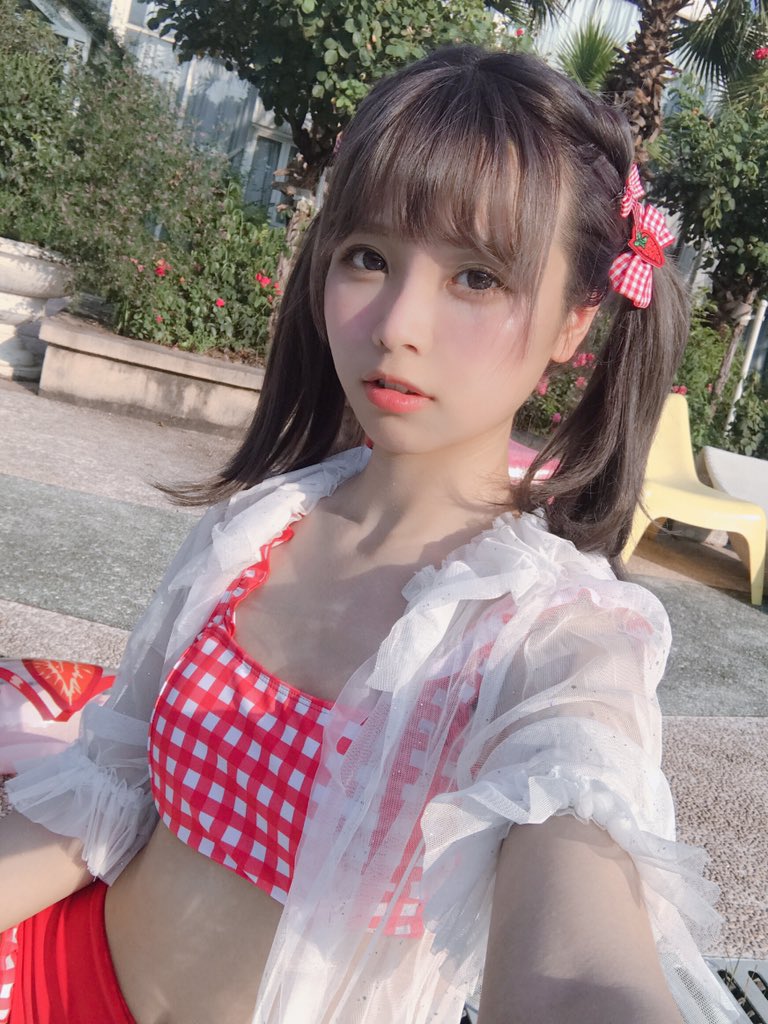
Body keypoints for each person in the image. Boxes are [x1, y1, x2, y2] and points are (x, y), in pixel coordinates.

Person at [0, 44, 739, 1024]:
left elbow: (578, 888)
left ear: (576, 321)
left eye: (476, 277)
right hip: (50, 977)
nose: (397, 323)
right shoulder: (254, 531)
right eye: (368, 257)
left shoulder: (555, 637)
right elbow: (108, 792)